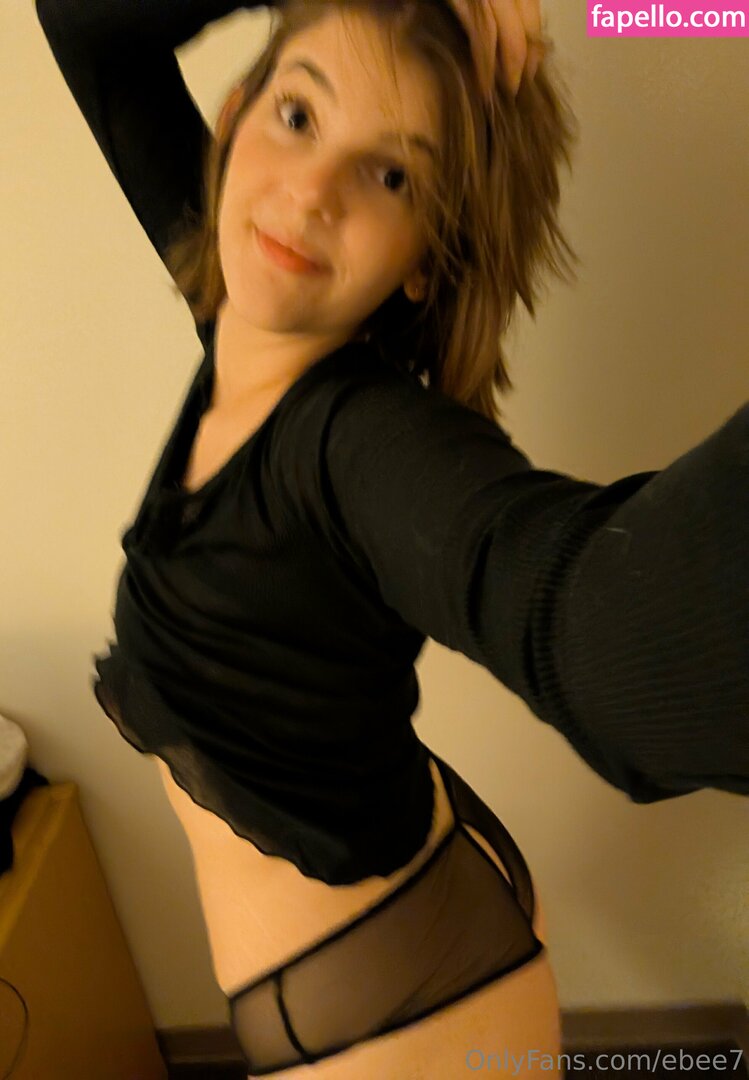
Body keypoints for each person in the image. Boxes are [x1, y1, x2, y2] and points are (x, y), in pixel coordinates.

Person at [35, 0, 747, 1077]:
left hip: (403, 1020)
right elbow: (87, 26)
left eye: (392, 176)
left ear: (423, 262)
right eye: (297, 115)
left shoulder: (357, 443)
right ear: (234, 117)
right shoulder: (244, 319)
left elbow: (606, 635)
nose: (309, 192)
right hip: (408, 898)